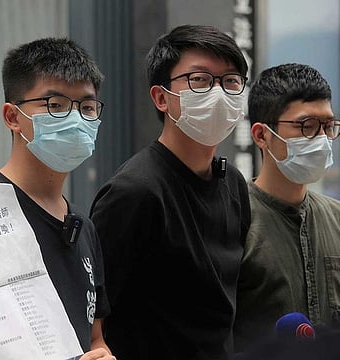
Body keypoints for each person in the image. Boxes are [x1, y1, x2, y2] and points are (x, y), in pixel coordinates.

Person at [89, 24, 251, 360]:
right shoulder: (135, 192)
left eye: (231, 81)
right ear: (162, 97)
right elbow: (92, 306)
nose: (219, 94)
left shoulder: (233, 183)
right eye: (200, 80)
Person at [0, 37, 115, 360]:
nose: (76, 119)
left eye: (87, 107)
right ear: (12, 116)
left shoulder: (84, 228)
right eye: (55, 105)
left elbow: (94, 339)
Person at [233, 63, 340, 353]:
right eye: (306, 126)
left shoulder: (336, 219)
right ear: (261, 135)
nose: (320, 138)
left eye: (328, 126)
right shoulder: (233, 220)